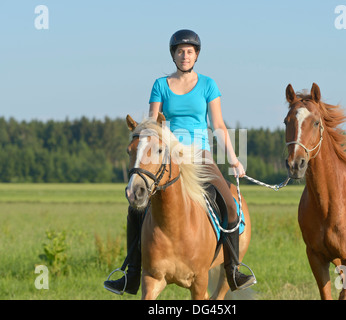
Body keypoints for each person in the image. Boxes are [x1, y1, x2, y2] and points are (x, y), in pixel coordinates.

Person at [104, 29, 256, 295]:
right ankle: (131, 273)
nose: (184, 56)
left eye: (189, 51)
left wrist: (233, 159)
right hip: (169, 156)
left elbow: (218, 124)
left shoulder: (208, 85)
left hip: (200, 156)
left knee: (230, 205)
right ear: (173, 55)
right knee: (136, 208)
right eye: (180, 51)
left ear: (196, 55)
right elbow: (153, 123)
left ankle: (233, 270)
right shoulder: (160, 85)